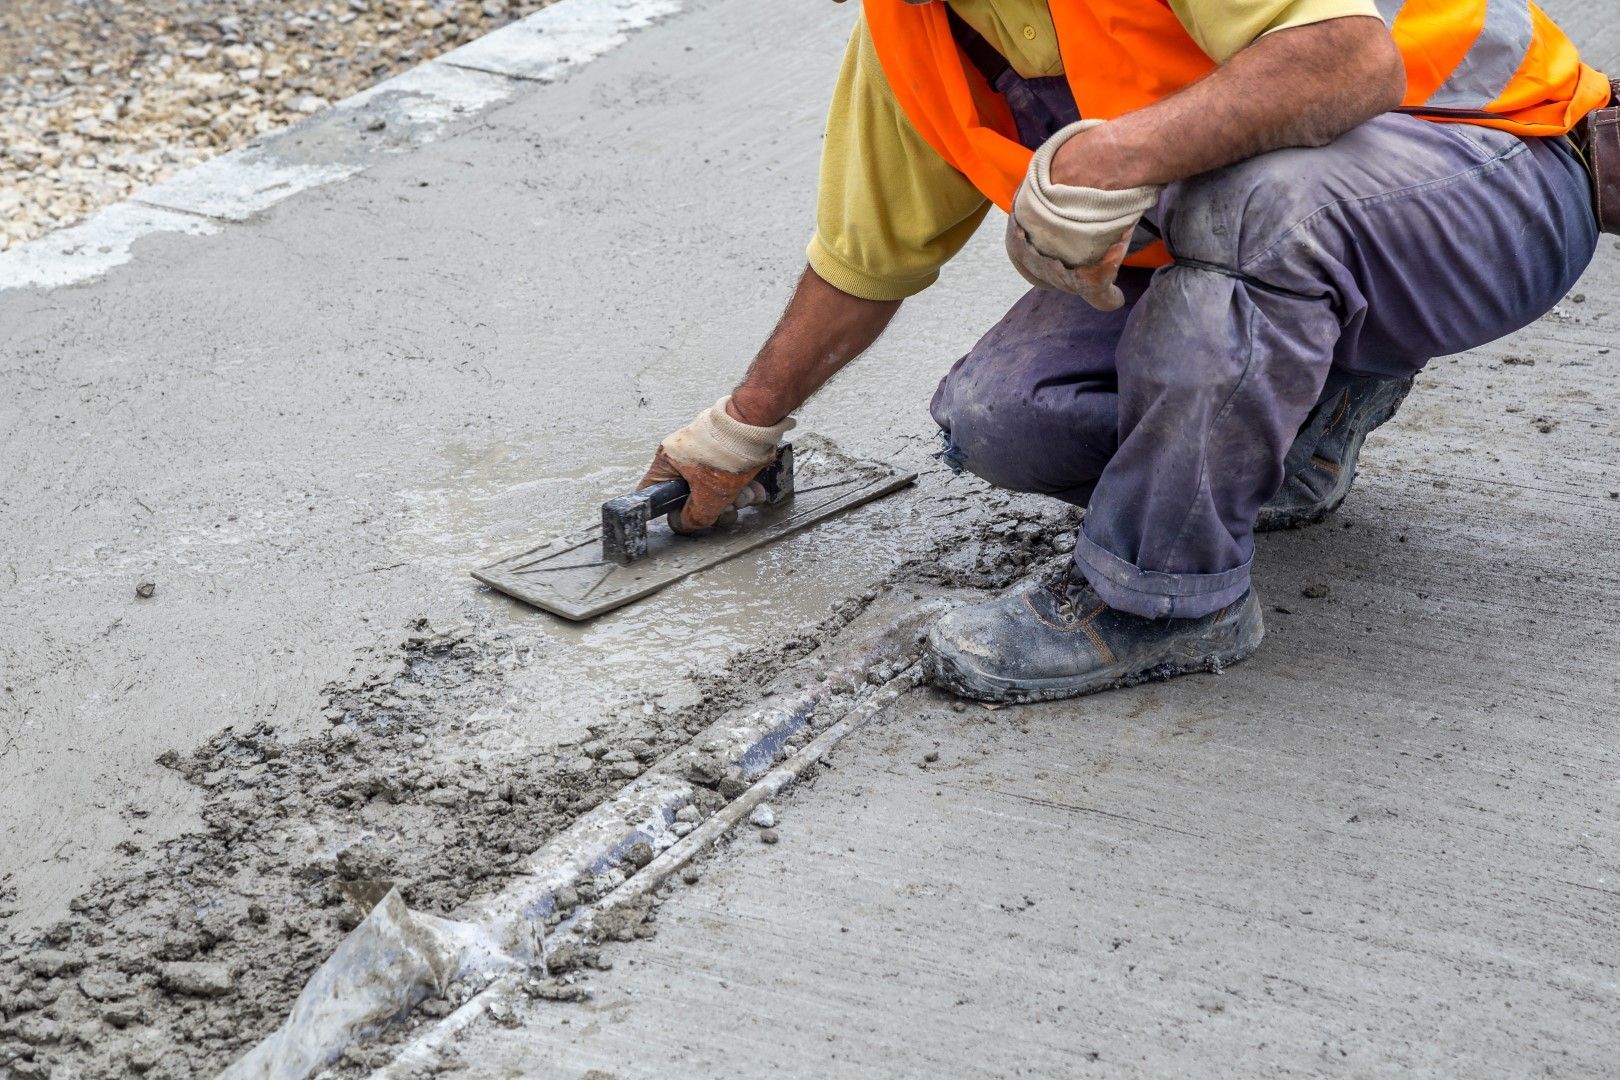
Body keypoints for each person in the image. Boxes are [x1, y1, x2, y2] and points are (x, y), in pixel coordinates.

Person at [639, 0, 1609, 703]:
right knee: (1001, 417)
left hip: (1496, 171)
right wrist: (737, 432)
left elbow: (1348, 59)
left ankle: (1166, 601)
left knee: (1258, 210)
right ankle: (1312, 422)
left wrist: (1115, 157)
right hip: (1280, 235)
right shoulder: (912, 33)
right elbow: (864, 259)